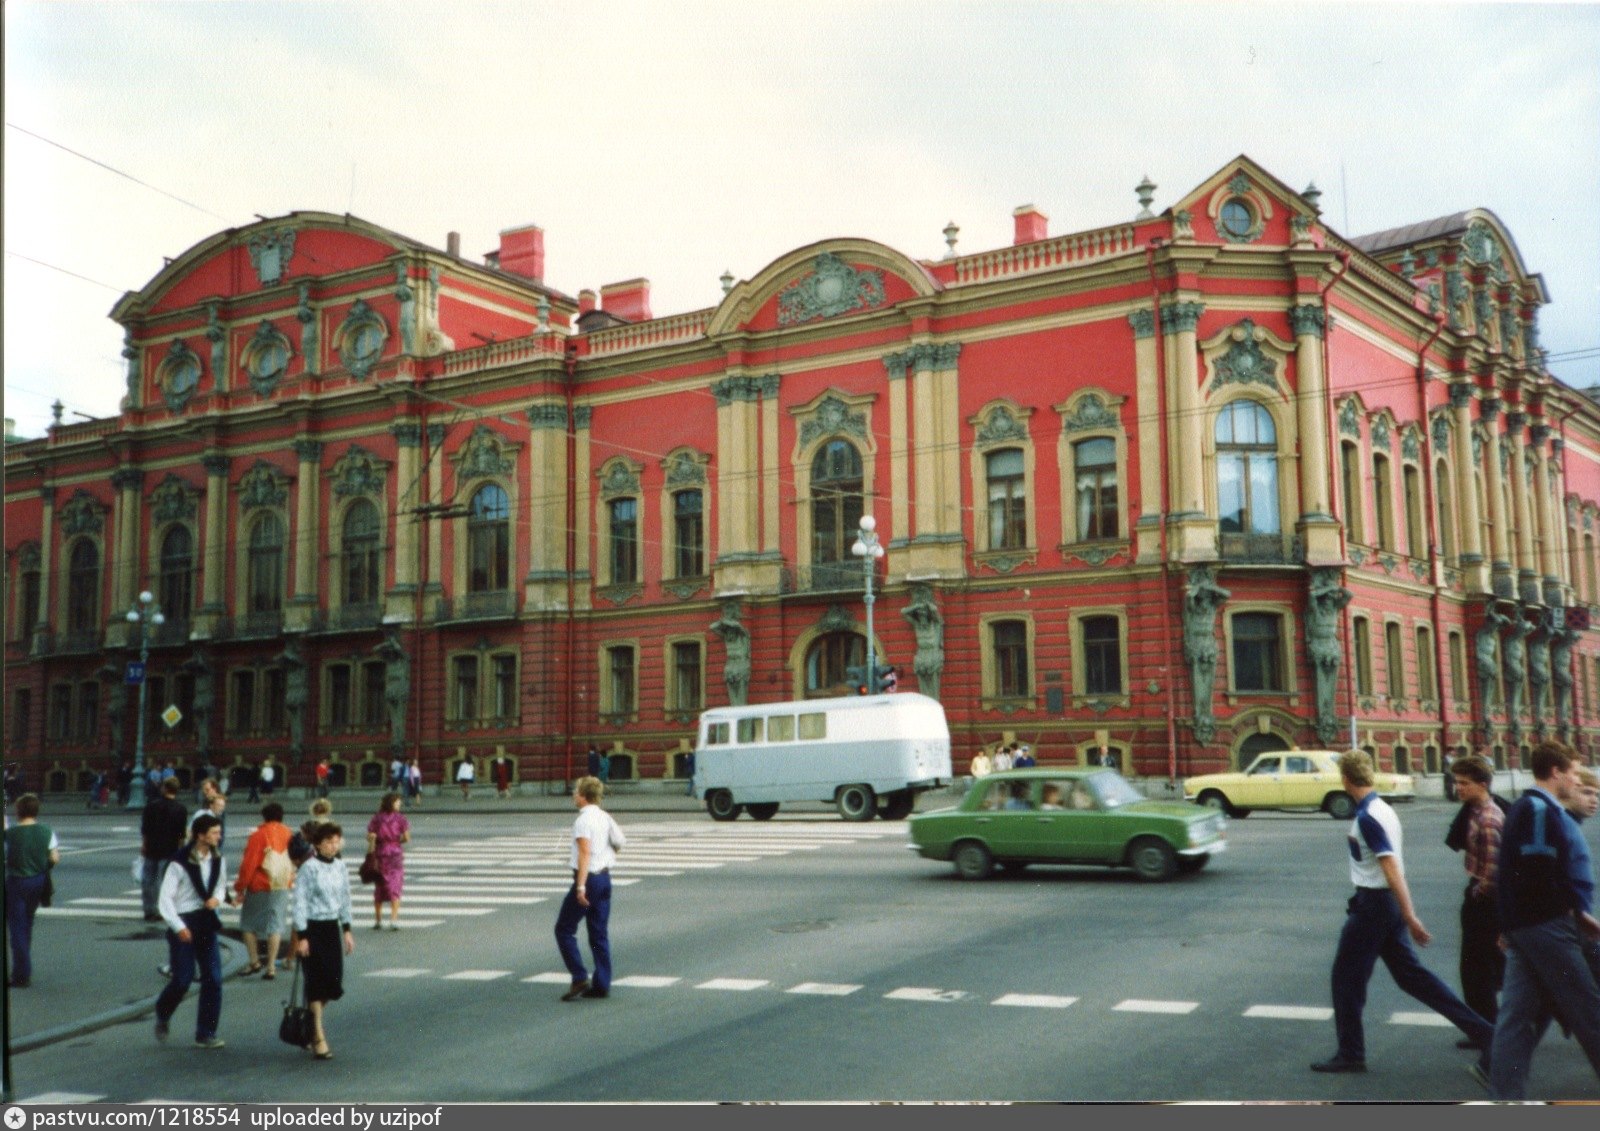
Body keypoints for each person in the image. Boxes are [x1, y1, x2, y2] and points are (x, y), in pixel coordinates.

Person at [1310, 750, 1493, 1076]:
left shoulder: (1368, 817)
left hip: (1374, 906)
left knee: (1346, 980)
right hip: (1384, 905)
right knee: (1415, 979)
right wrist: (1402, 912)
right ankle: (1486, 1033)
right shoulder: (1382, 808)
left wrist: (1410, 916)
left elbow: (1391, 867)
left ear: (1345, 779)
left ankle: (1351, 1053)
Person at [1487, 741, 1600, 1099]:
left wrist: (1508, 925)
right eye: (1570, 772)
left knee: (1515, 1019)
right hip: (1546, 928)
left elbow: (1509, 875)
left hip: (1527, 928)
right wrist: (1573, 912)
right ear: (1555, 772)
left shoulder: (1530, 807)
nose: (1573, 779)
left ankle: (1507, 1098)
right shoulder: (1538, 809)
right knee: (1587, 1007)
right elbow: (1536, 870)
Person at [153, 813, 232, 1049]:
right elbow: (165, 899)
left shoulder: (218, 859)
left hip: (205, 921)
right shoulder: (179, 862)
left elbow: (220, 886)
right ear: (200, 836)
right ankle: (163, 1012)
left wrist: (217, 900)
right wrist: (178, 927)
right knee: (183, 980)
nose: (220, 836)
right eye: (215, 832)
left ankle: (206, 1032)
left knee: (214, 979)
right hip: (183, 920)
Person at [1443, 753, 1507, 1043]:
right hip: (1482, 897)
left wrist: (1477, 890)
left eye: (1465, 783)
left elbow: (1495, 870)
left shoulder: (1489, 818)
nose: (1459, 788)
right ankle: (1486, 1027)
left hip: (1485, 901)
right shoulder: (1476, 811)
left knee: (1476, 969)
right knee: (1482, 967)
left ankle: (1486, 1031)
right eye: (1457, 782)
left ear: (1483, 784)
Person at [555, 776, 623, 1001]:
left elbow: (584, 852)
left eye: (576, 792)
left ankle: (579, 976)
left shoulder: (583, 821)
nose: (574, 795)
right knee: (599, 933)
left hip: (589, 880)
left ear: (584, 796)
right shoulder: (605, 816)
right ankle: (602, 984)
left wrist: (581, 886)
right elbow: (620, 841)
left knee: (564, 929)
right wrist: (607, 856)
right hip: (604, 879)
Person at [292, 821, 355, 1060]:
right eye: (328, 841)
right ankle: (318, 1036)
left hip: (331, 928)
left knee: (333, 983)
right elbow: (300, 901)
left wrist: (347, 929)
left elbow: (345, 898)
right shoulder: (309, 868)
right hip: (312, 928)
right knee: (317, 984)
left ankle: (311, 1022)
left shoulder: (340, 866)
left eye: (336, 840)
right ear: (317, 844)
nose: (333, 845)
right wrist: (302, 936)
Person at [233, 802, 294, 979]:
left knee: (248, 924)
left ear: (264, 817)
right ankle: (271, 967)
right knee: (275, 925)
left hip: (260, 884)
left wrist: (240, 887)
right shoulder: (288, 833)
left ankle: (254, 961)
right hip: (281, 884)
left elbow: (249, 864)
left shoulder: (258, 835)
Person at [5, 793, 59, 988]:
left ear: (18, 811)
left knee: (16, 928)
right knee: (27, 923)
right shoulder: (46, 831)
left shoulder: (10, 834)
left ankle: (22, 974)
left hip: (17, 881)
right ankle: (23, 965)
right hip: (38, 881)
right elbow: (54, 858)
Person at [140, 777, 188, 922]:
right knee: (163, 882)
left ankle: (149, 910)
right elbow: (181, 835)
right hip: (169, 849)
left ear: (164, 788)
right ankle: (162, 911)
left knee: (148, 880)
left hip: (152, 848)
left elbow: (145, 829)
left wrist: (144, 845)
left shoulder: (151, 806)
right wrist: (181, 851)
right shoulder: (180, 809)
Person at [365, 792, 411, 930]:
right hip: (395, 854)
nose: (399, 804)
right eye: (397, 802)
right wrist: (395, 841)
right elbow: (407, 838)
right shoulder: (401, 819)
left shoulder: (377, 818)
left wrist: (378, 840)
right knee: (395, 885)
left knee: (380, 886)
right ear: (391, 803)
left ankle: (378, 920)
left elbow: (369, 835)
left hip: (380, 853)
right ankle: (393, 919)